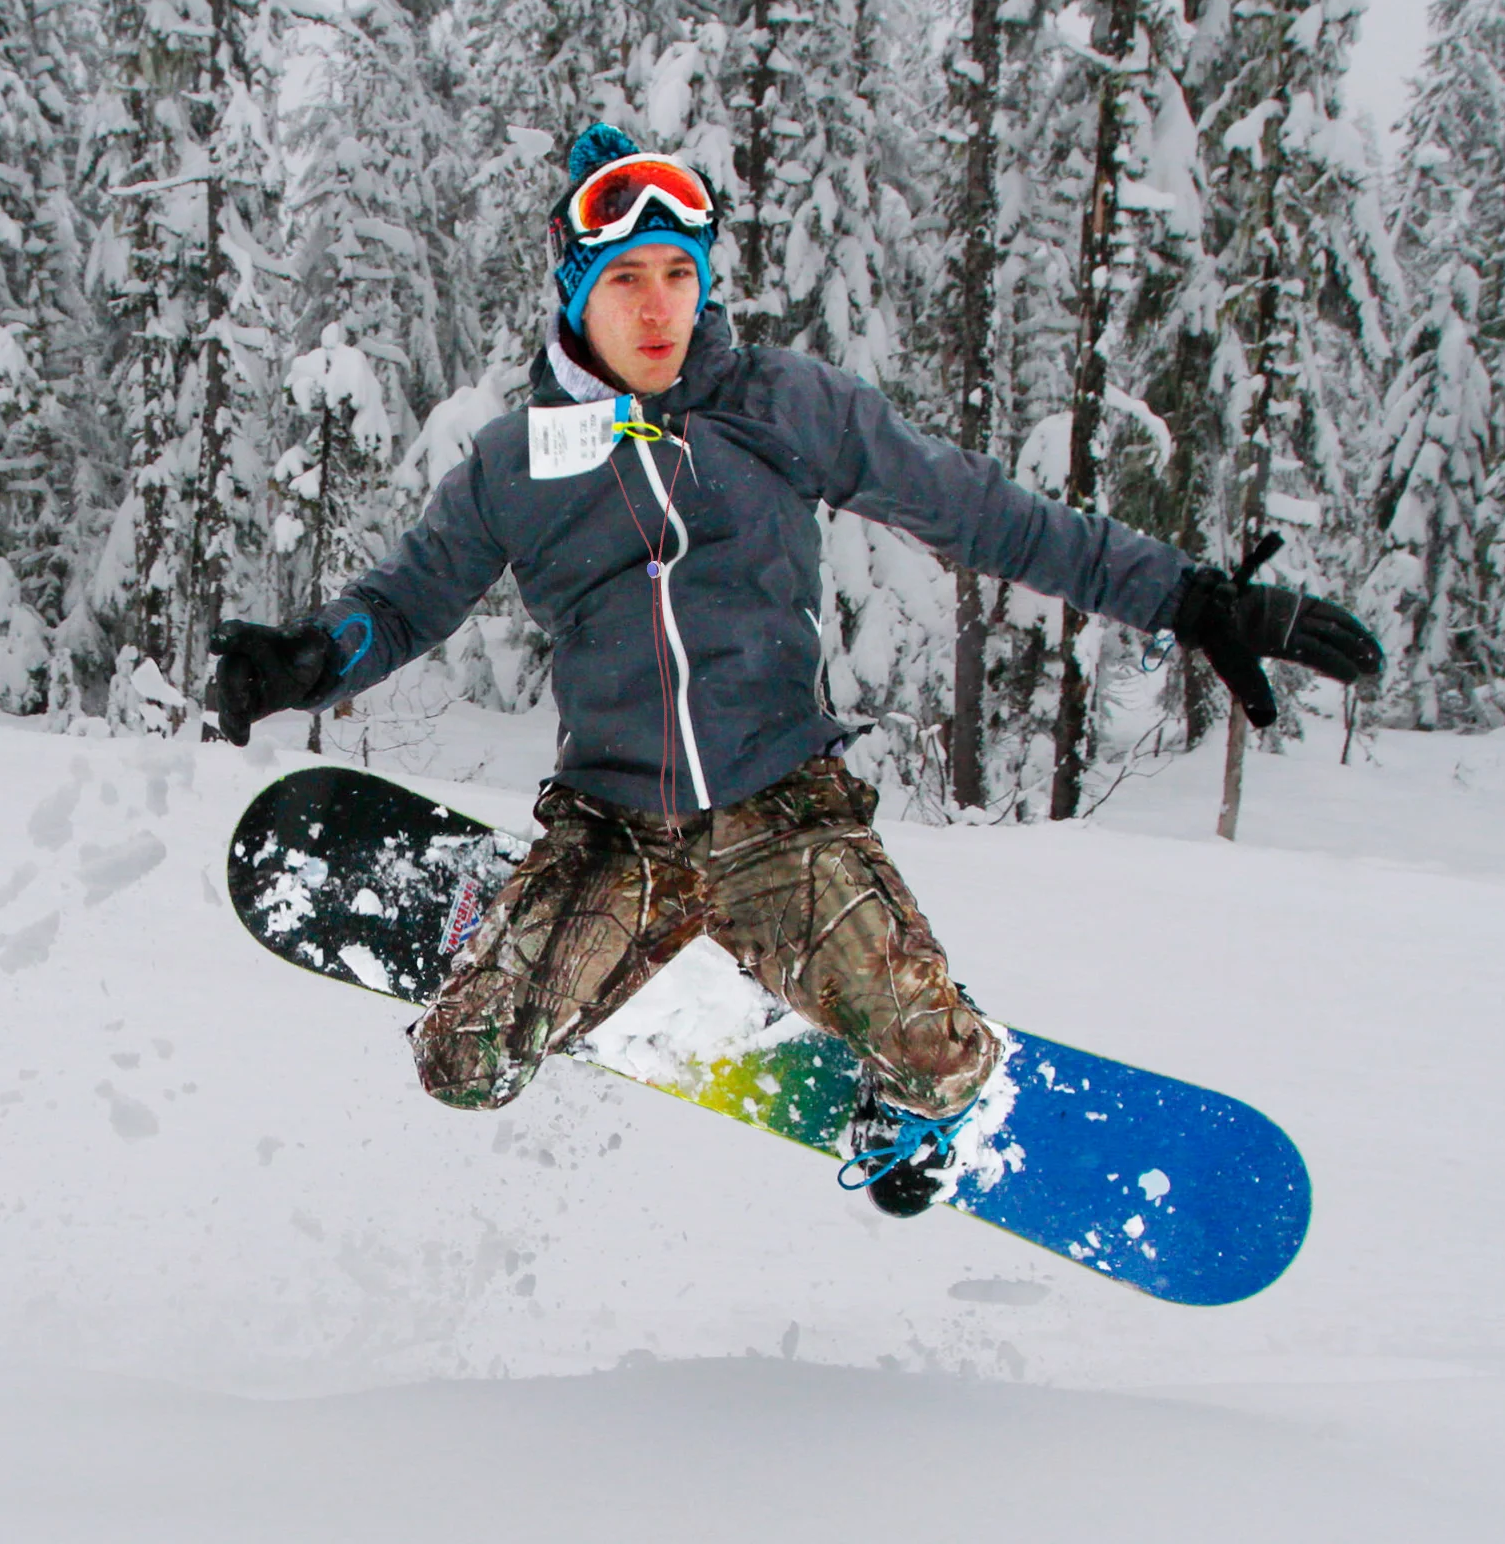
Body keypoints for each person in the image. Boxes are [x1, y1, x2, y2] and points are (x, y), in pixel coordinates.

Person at [211, 123, 1381, 1217]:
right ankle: (541, 925)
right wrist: (308, 660)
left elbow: (987, 515)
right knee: (460, 1067)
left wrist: (1189, 597)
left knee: (940, 1062)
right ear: (577, 291)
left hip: (781, 816)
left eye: (680, 272)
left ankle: (897, 1096)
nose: (660, 307)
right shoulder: (516, 462)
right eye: (625, 281)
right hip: (616, 827)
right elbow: (404, 600)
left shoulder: (781, 404)